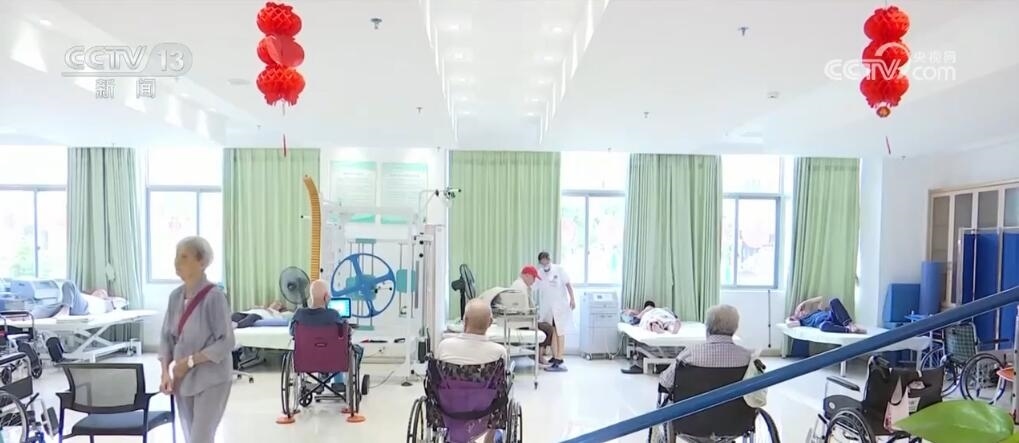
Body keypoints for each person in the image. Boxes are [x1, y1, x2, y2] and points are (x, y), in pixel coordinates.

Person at [159, 236, 235, 443]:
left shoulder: (214, 296)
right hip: (183, 379)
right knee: (190, 436)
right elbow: (166, 338)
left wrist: (190, 361)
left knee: (200, 438)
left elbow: (226, 341)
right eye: (176, 256)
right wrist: (165, 373)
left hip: (212, 378)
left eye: (184, 257)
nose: (177, 262)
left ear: (202, 262)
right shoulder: (175, 297)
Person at [435, 298, 509, 443]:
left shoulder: (444, 346)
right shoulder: (499, 352)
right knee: (505, 387)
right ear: (490, 322)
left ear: (464, 320)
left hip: (449, 407)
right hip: (485, 410)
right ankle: (490, 437)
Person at [659, 304, 752, 391]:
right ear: (735, 328)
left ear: (707, 326)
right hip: (735, 403)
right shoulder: (748, 357)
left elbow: (665, 382)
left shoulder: (689, 354)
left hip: (694, 403)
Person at [291, 279, 364, 386]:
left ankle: (322, 378)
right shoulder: (333, 315)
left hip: (306, 359)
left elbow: (292, 332)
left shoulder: (299, 314)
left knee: (323, 349)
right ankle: (339, 382)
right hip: (332, 359)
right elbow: (346, 334)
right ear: (326, 297)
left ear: (311, 296)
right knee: (353, 349)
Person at [535, 252, 575, 372]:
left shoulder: (559, 269)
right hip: (548, 308)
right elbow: (534, 286)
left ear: (549, 259)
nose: (545, 264)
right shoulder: (540, 273)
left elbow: (568, 284)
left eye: (546, 261)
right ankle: (555, 356)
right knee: (553, 331)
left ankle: (560, 358)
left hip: (560, 306)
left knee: (560, 331)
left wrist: (572, 299)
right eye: (542, 262)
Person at [512, 265, 554, 365]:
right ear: (527, 275)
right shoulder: (521, 287)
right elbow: (524, 311)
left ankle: (538, 355)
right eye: (533, 277)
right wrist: (533, 325)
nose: (534, 281)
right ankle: (538, 356)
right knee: (548, 329)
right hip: (520, 322)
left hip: (518, 320)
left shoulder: (520, 285)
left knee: (545, 326)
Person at [785, 296, 866, 334]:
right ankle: (848, 330)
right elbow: (789, 324)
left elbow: (820, 298)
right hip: (827, 324)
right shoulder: (802, 322)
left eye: (802, 309)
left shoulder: (816, 311)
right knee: (823, 326)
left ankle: (849, 324)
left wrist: (804, 303)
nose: (802, 311)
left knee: (833, 301)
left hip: (834, 317)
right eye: (800, 311)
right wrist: (794, 316)